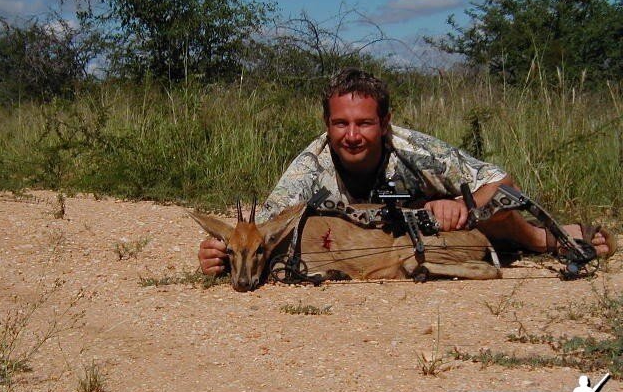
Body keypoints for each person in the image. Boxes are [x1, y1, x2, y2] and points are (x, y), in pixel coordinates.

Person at [199, 68, 615, 275]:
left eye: (364, 123)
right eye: (340, 123)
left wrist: (458, 205)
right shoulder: (310, 165)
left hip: (434, 227)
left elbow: (502, 184)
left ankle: (544, 239)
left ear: (384, 123)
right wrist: (219, 252)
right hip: (379, 244)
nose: (352, 135)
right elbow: (264, 228)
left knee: (496, 212)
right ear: (327, 124)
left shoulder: (415, 149)